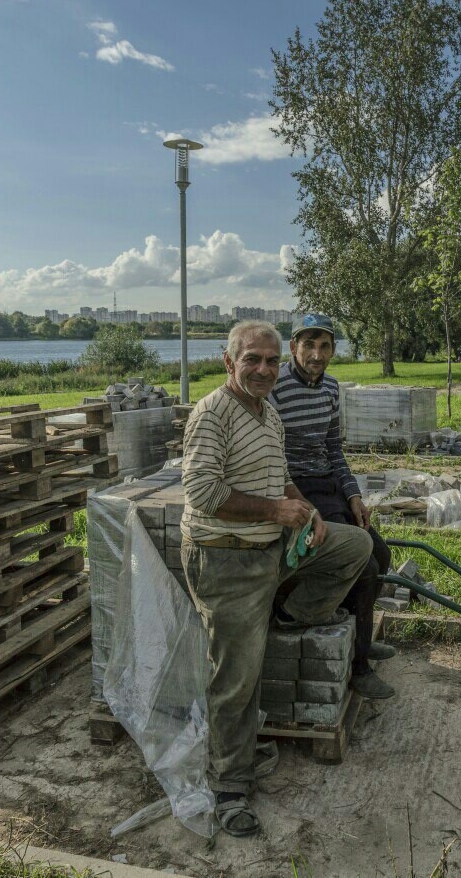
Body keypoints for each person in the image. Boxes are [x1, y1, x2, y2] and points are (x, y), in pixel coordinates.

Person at [181, 320, 372, 839]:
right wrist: (273, 509)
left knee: (355, 545)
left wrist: (305, 509)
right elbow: (201, 491)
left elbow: (280, 469)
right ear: (229, 363)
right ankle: (229, 786)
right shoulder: (212, 413)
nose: (264, 369)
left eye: (269, 361)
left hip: (270, 549)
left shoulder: (267, 413)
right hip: (227, 559)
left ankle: (288, 616)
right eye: (252, 360)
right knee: (236, 678)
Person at [268, 313, 397, 700]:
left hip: (329, 484)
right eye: (308, 345)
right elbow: (274, 458)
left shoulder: (331, 389)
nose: (316, 354)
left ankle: (356, 634)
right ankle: (358, 666)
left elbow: (333, 448)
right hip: (297, 486)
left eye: (325, 346)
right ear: (293, 347)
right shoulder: (276, 389)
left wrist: (353, 494)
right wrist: (302, 504)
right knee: (365, 567)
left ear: (333, 350)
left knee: (383, 554)